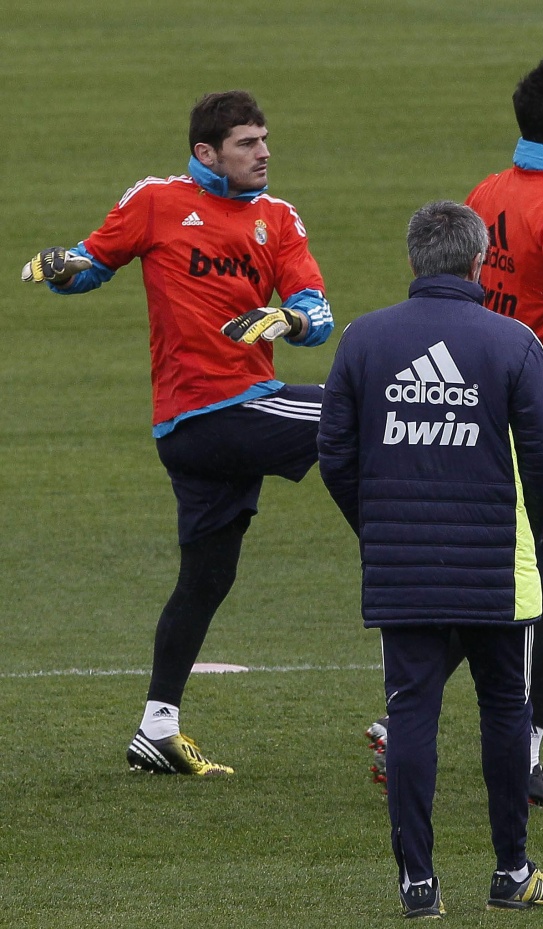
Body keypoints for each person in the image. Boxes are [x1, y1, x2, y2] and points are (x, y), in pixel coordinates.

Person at [21, 90, 333, 776]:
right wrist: (63, 268)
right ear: (206, 153)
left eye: (264, 139)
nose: (264, 153)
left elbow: (317, 309)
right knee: (356, 411)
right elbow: (92, 263)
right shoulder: (157, 200)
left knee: (207, 578)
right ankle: (415, 565)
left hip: (215, 427)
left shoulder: (278, 218)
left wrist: (289, 320)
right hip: (213, 413)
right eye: (248, 143)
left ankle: (156, 729)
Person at [366, 58, 543, 807]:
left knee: (498, 579)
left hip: (489, 411)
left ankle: (401, 723)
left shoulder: (489, 192)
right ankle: (524, 753)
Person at [319, 200, 543, 916]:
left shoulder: (365, 339)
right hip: (497, 568)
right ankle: (511, 872)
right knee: (506, 711)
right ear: (479, 261)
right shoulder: (514, 341)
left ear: (413, 260)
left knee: (411, 715)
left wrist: (378, 528)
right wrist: (527, 529)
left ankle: (418, 885)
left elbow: (334, 454)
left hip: (402, 566)